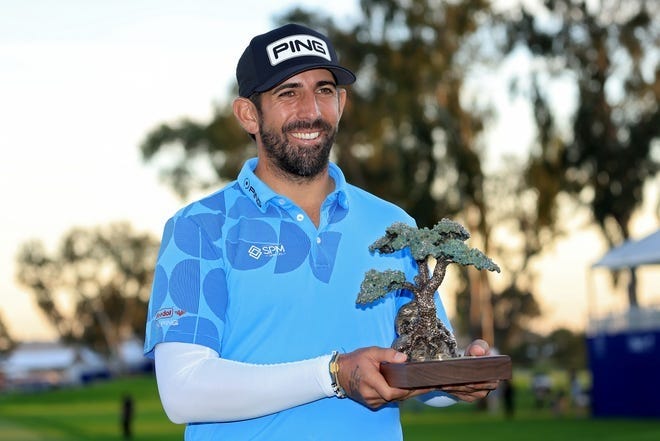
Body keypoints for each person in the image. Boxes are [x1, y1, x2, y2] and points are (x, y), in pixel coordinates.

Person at [143, 23, 498, 440]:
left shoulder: (392, 224)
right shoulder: (198, 228)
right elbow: (183, 390)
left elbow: (412, 368)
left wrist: (455, 377)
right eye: (288, 93)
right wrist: (333, 373)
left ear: (341, 103)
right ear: (248, 114)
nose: (310, 110)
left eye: (324, 90)